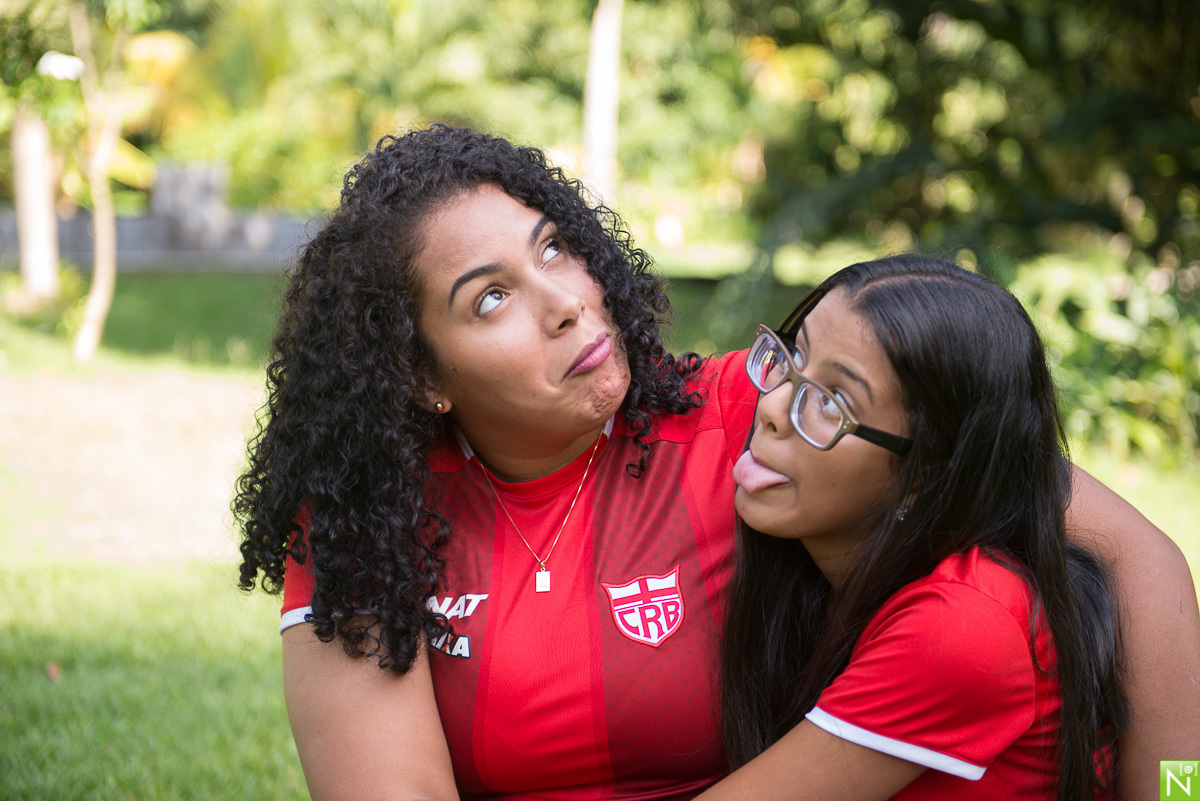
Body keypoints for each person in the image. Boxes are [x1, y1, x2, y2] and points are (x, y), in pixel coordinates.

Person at [232, 125, 1200, 800]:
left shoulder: (770, 408)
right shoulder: (366, 508)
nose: (565, 300)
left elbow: (1141, 556)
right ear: (419, 375)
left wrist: (1181, 793)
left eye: (556, 248)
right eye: (491, 299)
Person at [702, 256, 1125, 800]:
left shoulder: (962, 627)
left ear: (926, 475)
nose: (773, 408)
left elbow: (1181, 779)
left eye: (833, 403)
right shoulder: (837, 576)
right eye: (795, 356)